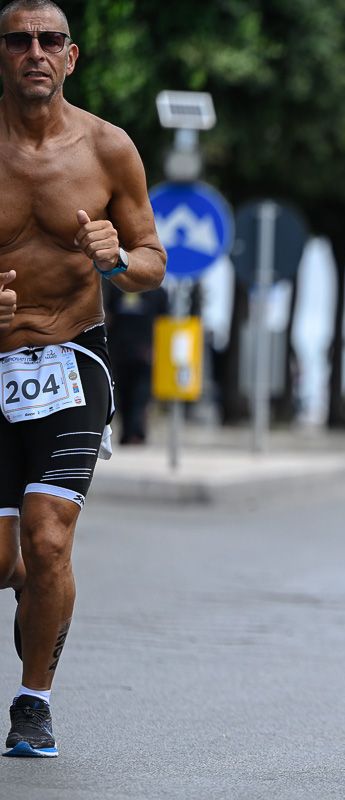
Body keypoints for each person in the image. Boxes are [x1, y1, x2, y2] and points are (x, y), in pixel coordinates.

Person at [0, 0, 166, 757]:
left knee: (49, 538)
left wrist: (116, 259)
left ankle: (33, 703)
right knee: (8, 559)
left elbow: (152, 262)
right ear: (3, 54)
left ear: (71, 57)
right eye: (20, 39)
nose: (35, 51)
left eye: (50, 40)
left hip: (73, 360)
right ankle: (25, 584)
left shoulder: (108, 148)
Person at [104, 284, 169, 445]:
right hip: (120, 353)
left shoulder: (157, 292)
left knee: (140, 396)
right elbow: (108, 317)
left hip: (145, 354)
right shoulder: (117, 288)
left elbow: (163, 323)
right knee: (123, 395)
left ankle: (136, 433)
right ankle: (128, 433)